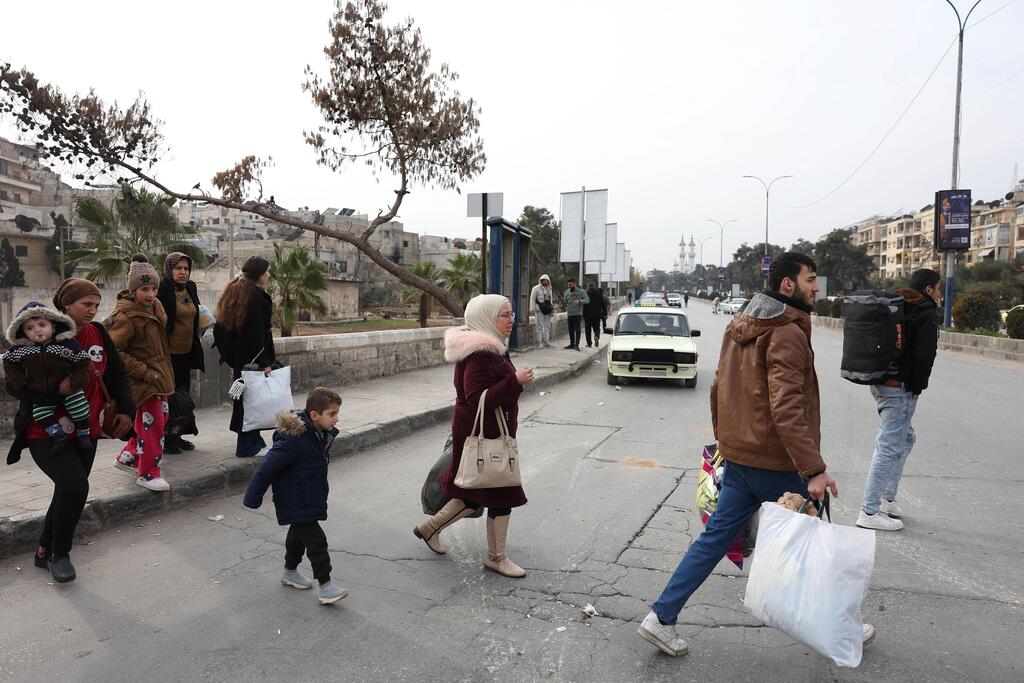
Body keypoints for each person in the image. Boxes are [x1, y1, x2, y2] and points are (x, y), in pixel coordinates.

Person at [637, 252, 876, 657]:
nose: (816, 287)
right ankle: (844, 625)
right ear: (788, 285)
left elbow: (718, 390)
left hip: (741, 460)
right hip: (778, 462)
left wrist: (727, 445)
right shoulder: (787, 332)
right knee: (811, 538)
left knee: (713, 541)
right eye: (810, 279)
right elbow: (786, 408)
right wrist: (814, 470)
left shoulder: (740, 324)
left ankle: (660, 617)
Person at [5, 278, 134, 583]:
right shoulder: (39, 334)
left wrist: (127, 410)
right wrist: (54, 390)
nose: (93, 310)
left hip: (85, 430)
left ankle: (43, 550)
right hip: (43, 430)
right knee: (76, 487)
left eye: (96, 304)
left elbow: (117, 373)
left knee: (67, 490)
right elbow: (15, 384)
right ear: (65, 305)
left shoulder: (98, 332)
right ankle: (59, 554)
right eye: (86, 304)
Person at [413, 294, 535, 577]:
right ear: (486, 317)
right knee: (501, 493)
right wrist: (514, 382)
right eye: (504, 315)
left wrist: (512, 383)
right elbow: (477, 397)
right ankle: (496, 557)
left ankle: (429, 529)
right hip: (483, 438)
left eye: (511, 314)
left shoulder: (490, 346)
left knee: (472, 494)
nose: (510, 320)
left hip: (483, 434)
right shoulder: (481, 353)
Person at [243, 387, 348, 604]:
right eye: (332, 414)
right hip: (295, 498)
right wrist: (253, 496)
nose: (336, 419)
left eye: (337, 413)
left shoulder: (318, 434)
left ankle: (289, 572)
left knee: (297, 538)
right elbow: (267, 468)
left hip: (306, 495)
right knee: (316, 541)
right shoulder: (294, 439)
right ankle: (326, 586)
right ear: (314, 415)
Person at [857, 268, 940, 532]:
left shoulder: (898, 304)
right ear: (928, 289)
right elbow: (925, 354)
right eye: (938, 289)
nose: (939, 294)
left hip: (881, 383)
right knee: (889, 445)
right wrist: (918, 386)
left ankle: (886, 498)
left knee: (906, 438)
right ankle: (869, 510)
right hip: (899, 388)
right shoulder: (925, 311)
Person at [107, 255, 176, 492]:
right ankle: (148, 473)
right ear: (133, 290)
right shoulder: (126, 317)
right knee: (154, 424)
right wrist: (144, 372)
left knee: (160, 419)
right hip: (143, 380)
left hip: (158, 376)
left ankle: (128, 455)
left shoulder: (154, 308)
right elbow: (115, 350)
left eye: (154, 288)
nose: (150, 293)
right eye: (144, 289)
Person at [3, 302, 93, 452]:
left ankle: (84, 435)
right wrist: (20, 380)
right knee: (40, 413)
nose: (37, 330)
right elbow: (8, 362)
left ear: (53, 325)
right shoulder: (20, 350)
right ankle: (58, 436)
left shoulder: (66, 344)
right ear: (23, 332)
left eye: (42, 325)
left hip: (67, 388)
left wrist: (74, 381)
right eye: (29, 328)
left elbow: (83, 361)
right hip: (40, 392)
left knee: (79, 407)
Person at [214, 256, 276, 457]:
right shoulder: (255, 296)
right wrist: (265, 361)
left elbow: (220, 326)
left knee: (250, 399)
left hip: (241, 354)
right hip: (253, 357)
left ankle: (254, 441)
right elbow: (257, 333)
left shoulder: (237, 289)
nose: (269, 274)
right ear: (259, 273)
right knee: (251, 402)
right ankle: (246, 446)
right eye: (267, 271)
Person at [157, 252, 204, 454]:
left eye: (186, 268)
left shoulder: (191, 287)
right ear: (169, 269)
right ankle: (168, 439)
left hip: (187, 352)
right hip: (168, 354)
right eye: (178, 268)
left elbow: (196, 312)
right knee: (170, 397)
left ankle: (179, 433)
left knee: (183, 395)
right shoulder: (162, 289)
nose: (183, 272)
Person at [529, 274, 554, 348]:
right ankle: (539, 342)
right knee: (539, 326)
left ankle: (546, 341)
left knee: (547, 326)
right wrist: (532, 309)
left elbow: (551, 300)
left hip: (548, 310)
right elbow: (532, 299)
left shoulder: (549, 289)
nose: (545, 282)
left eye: (547, 281)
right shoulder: (536, 288)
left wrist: (552, 309)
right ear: (541, 281)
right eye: (544, 280)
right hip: (539, 309)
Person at [563, 278, 589, 351]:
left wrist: (580, 301)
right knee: (570, 329)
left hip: (578, 313)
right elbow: (565, 300)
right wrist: (565, 304)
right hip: (570, 313)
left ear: (575, 284)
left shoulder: (581, 291)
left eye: (570, 284)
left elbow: (587, 300)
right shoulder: (567, 292)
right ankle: (572, 344)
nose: (569, 286)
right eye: (568, 284)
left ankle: (577, 345)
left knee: (577, 329)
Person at [583, 282, 608, 348]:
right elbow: (603, 304)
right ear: (594, 286)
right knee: (597, 328)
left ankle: (589, 343)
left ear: (588, 286)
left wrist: (582, 314)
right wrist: (605, 314)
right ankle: (596, 336)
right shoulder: (599, 293)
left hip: (587, 315)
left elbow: (583, 305)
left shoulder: (585, 293)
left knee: (588, 330)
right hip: (597, 314)